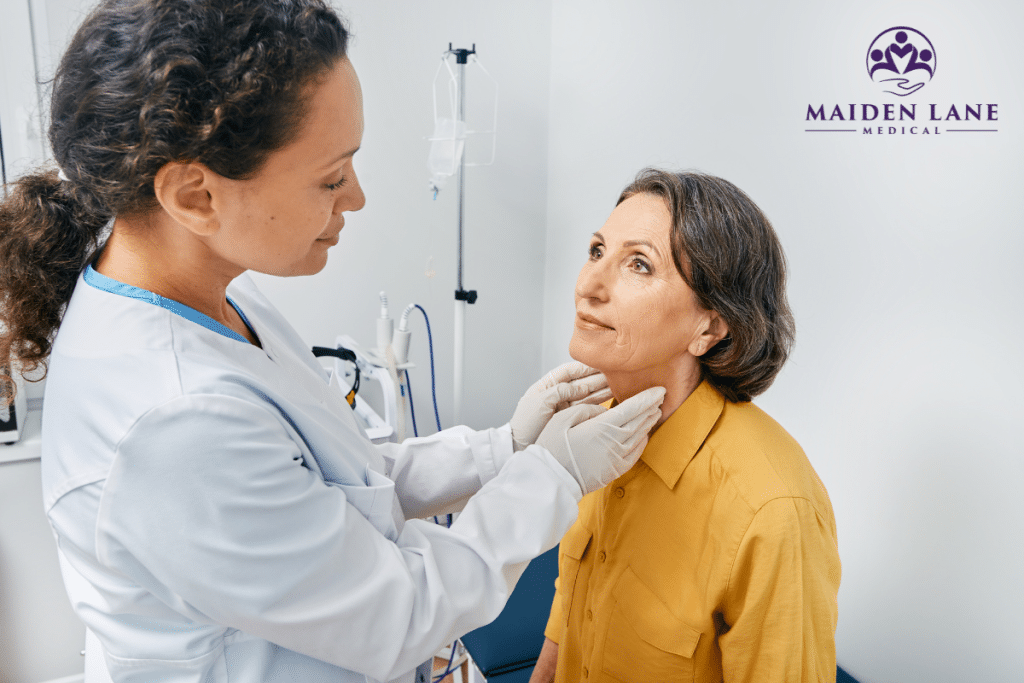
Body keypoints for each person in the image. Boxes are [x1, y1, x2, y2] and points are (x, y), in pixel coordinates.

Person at [0, 2, 667, 682]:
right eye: (331, 175)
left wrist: (503, 450)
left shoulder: (214, 294)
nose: (357, 197)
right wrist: (551, 475)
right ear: (195, 196)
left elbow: (341, 478)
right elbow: (400, 612)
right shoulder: (171, 421)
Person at [529, 169, 841, 683]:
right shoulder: (604, 433)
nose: (588, 286)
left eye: (638, 264)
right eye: (596, 251)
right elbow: (570, 609)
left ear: (710, 327)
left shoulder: (773, 512)